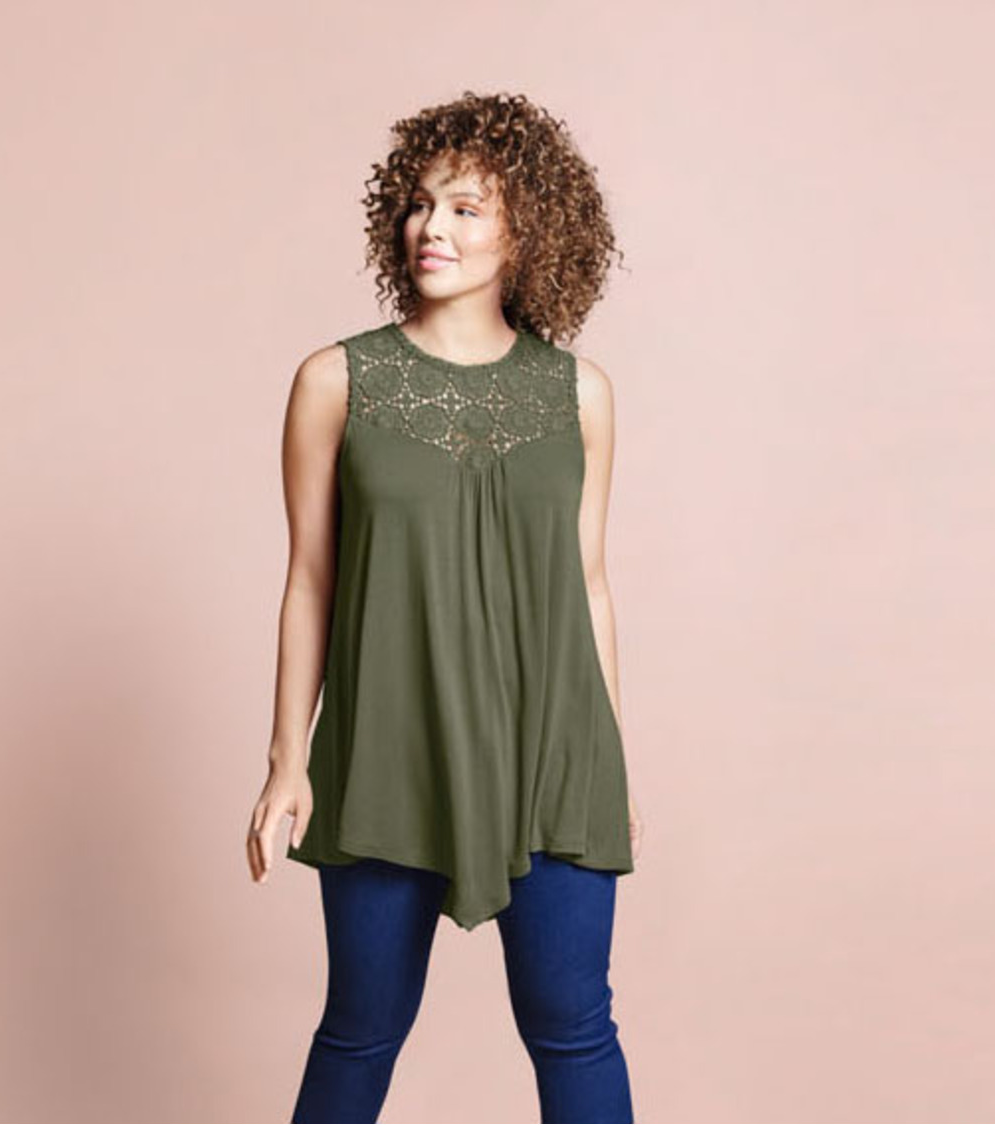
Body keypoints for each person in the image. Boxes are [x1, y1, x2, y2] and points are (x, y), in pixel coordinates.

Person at [246, 90, 644, 1124]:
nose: (433, 227)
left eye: (467, 209)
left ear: (528, 230)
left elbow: (590, 584)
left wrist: (611, 762)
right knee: (360, 1026)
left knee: (575, 1028)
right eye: (422, 204)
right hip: (389, 748)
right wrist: (287, 761)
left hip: (554, 754)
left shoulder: (582, 395)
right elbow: (309, 580)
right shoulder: (336, 381)